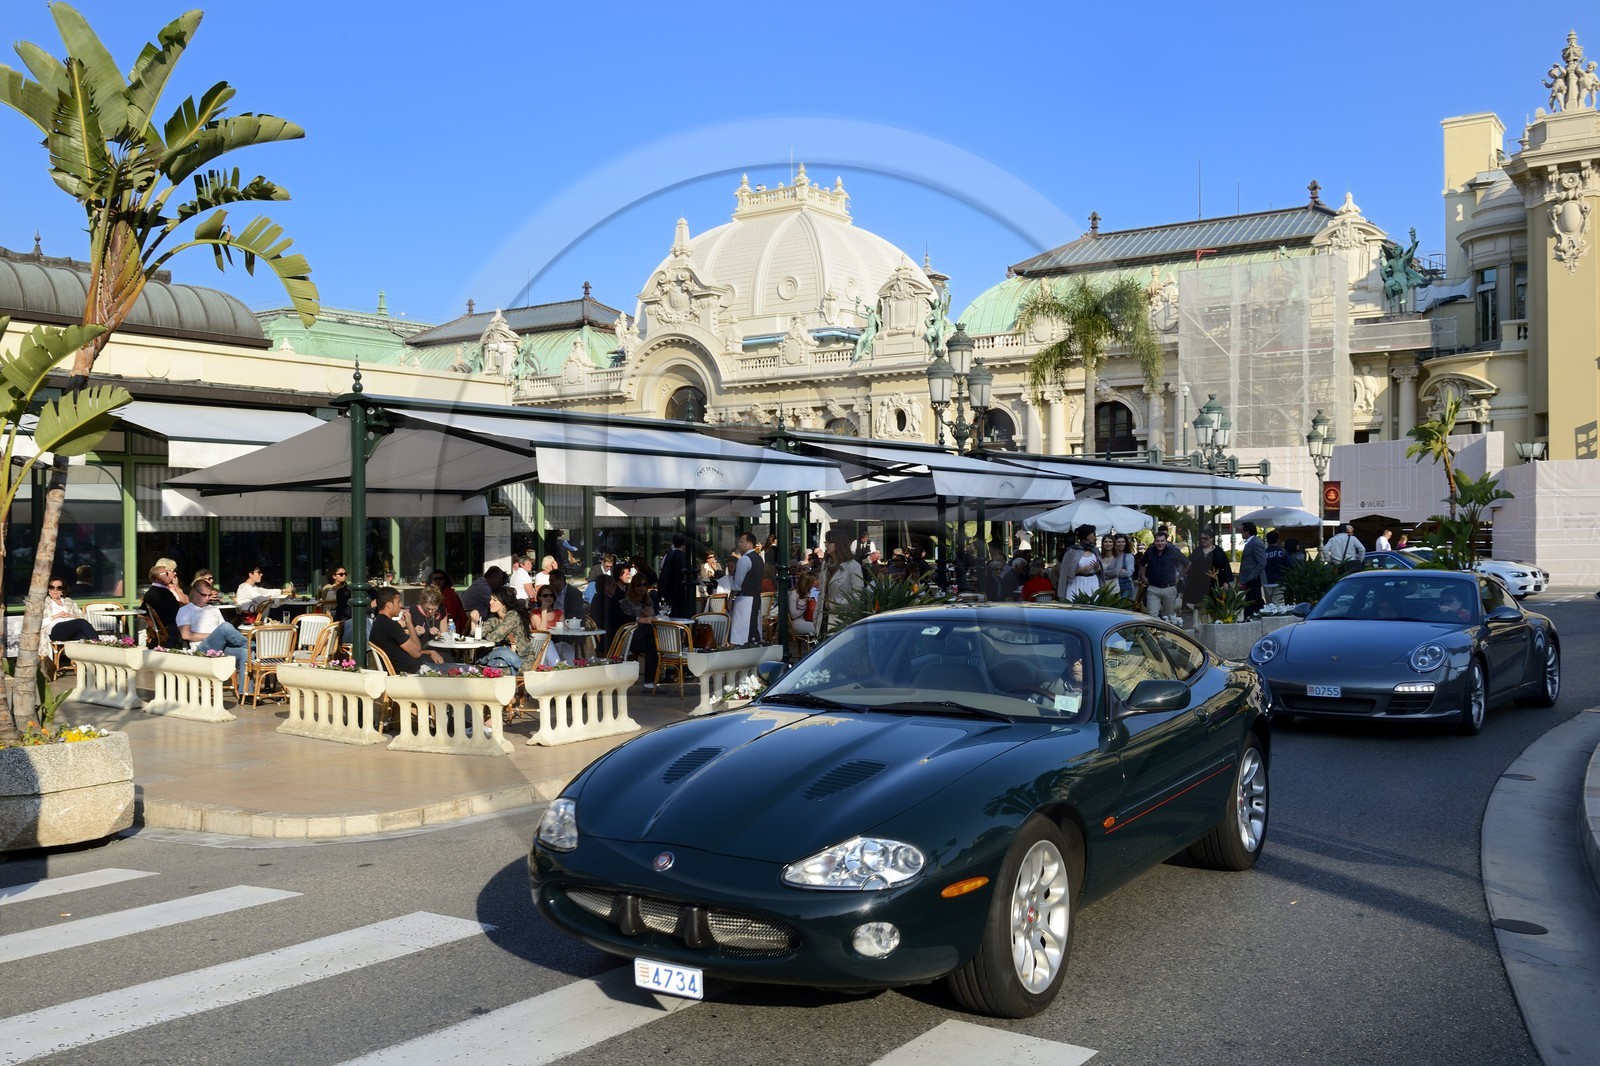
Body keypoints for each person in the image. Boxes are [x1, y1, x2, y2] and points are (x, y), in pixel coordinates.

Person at [175, 578, 253, 696]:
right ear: (194, 592)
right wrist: (215, 635)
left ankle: (247, 694)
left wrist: (220, 635)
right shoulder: (185, 610)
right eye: (203, 595)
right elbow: (186, 635)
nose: (207, 598)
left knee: (246, 652)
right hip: (201, 648)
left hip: (221, 647)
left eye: (209, 595)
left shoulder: (213, 609)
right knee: (226, 627)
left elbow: (224, 632)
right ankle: (254, 645)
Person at [371, 586, 445, 674]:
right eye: (398, 602)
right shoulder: (390, 626)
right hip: (414, 673)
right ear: (389, 605)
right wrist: (409, 623)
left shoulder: (379, 623)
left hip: (413, 668)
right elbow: (416, 652)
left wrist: (429, 652)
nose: (401, 605)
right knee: (460, 669)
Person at [618, 573, 661, 690]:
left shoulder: (649, 601)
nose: (642, 587)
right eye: (639, 585)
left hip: (645, 638)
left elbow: (654, 618)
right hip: (630, 638)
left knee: (654, 644)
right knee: (652, 633)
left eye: (644, 584)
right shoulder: (626, 602)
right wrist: (641, 617)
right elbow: (625, 621)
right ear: (633, 587)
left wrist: (651, 614)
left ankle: (649, 682)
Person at [1137, 527, 1187, 620]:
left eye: (1162, 541)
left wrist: (1178, 577)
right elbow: (1141, 564)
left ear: (1166, 541)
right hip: (1153, 588)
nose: (1160, 543)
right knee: (1152, 616)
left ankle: (1166, 634)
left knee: (1168, 617)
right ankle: (1154, 633)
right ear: (1154, 541)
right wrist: (1144, 577)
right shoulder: (1150, 551)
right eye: (1157, 541)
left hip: (1169, 588)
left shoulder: (1173, 551)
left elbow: (1187, 564)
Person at [819, 529, 865, 632]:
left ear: (838, 544)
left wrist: (834, 604)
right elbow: (821, 593)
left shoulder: (853, 566)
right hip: (823, 620)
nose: (826, 544)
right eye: (826, 542)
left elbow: (857, 596)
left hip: (842, 621)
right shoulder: (825, 564)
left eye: (829, 542)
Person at [1183, 529, 1233, 615]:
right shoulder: (1197, 551)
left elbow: (1226, 567)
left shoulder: (1218, 552)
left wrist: (1226, 582)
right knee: (1200, 608)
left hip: (1215, 584)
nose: (1203, 540)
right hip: (1199, 585)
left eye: (1205, 538)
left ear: (1212, 539)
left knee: (1215, 608)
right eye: (1201, 538)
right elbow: (1189, 566)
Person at [140, 558, 188, 646]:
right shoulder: (162, 593)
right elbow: (178, 610)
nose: (174, 574)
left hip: (168, 627)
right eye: (167, 573)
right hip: (172, 629)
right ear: (158, 577)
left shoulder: (152, 592)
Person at [729, 531, 765, 646]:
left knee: (742, 630)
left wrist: (730, 597)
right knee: (753, 625)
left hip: (744, 599)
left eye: (742, 542)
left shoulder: (744, 559)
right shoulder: (759, 559)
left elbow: (737, 582)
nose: (739, 544)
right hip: (755, 597)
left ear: (749, 544)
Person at [43, 578, 100, 644]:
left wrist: (71, 615)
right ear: (48, 590)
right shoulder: (44, 603)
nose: (55, 590)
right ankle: (100, 645)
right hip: (56, 630)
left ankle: (95, 650)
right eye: (52, 587)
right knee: (81, 623)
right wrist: (56, 616)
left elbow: (84, 617)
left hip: (72, 630)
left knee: (84, 635)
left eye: (59, 588)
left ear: (62, 591)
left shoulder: (69, 602)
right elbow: (38, 624)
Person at [1056, 524, 1104, 600]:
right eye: (1093, 534)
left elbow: (1101, 570)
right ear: (1087, 536)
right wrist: (1080, 570)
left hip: (1092, 583)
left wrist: (1097, 568)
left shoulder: (1095, 550)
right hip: (1077, 583)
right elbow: (1064, 572)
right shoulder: (1071, 551)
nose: (1095, 537)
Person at [657, 532, 696, 620]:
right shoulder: (683, 557)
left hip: (667, 594)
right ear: (685, 543)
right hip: (679, 596)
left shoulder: (667, 556)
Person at [1238, 521, 1267, 619]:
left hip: (1253, 579)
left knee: (1251, 601)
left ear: (1248, 532)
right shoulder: (1251, 542)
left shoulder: (1256, 543)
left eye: (1242, 531)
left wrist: (1252, 576)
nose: (1241, 533)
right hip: (1249, 578)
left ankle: (1249, 618)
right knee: (1255, 601)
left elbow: (1262, 562)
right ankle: (1256, 617)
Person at [430, 569, 469, 634]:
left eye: (440, 579)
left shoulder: (449, 593)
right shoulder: (431, 593)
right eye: (435, 579)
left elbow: (450, 615)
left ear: (445, 580)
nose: (437, 581)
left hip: (455, 628)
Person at [788, 571, 819, 641]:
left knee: (823, 626)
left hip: (809, 620)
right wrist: (806, 605)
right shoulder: (793, 594)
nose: (814, 584)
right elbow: (793, 614)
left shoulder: (809, 593)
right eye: (812, 583)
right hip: (797, 622)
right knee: (818, 628)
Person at [1106, 534, 1137, 598]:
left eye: (1123, 542)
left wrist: (1113, 572)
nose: (1121, 544)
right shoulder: (1110, 557)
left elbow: (1128, 573)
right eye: (1118, 542)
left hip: (1125, 588)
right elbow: (1104, 573)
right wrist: (1119, 571)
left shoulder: (1129, 557)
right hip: (1111, 587)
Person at [1263, 531, 1286, 604]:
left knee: (1269, 604)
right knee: (1278, 604)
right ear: (1277, 540)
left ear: (1267, 540)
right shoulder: (1283, 552)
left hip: (1266, 581)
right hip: (1280, 581)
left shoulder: (1263, 553)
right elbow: (1290, 566)